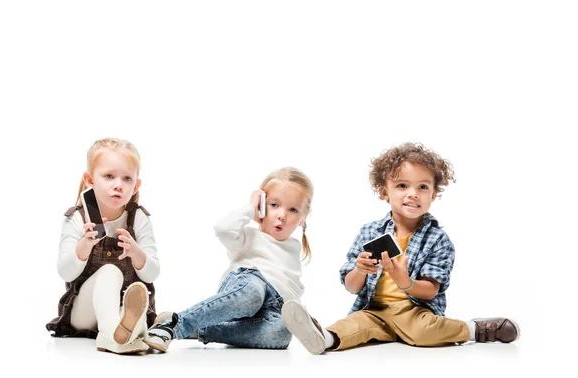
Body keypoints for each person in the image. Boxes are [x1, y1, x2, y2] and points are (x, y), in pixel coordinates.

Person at [281, 142, 519, 354]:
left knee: (426, 332)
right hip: (373, 310)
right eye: (402, 185)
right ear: (385, 192)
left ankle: (475, 329)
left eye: (423, 187)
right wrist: (360, 270)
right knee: (354, 324)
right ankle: (325, 337)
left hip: (413, 311)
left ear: (434, 194)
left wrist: (405, 282)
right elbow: (352, 287)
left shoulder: (438, 239)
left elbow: (430, 291)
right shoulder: (369, 232)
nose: (413, 194)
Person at [145, 167, 313, 352]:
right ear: (262, 205)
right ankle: (176, 324)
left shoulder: (294, 248)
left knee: (281, 334)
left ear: (302, 219)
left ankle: (199, 329)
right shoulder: (247, 236)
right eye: (274, 205)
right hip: (247, 286)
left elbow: (292, 288)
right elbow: (223, 229)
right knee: (253, 293)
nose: (282, 214)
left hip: (273, 307)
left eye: (293, 209)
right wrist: (250, 208)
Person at [46, 138, 160, 354]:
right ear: (90, 180)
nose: (118, 184)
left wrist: (136, 253)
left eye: (127, 178)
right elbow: (65, 271)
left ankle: (129, 330)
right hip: (84, 314)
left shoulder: (139, 219)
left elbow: (151, 274)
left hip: (118, 303)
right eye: (109, 176)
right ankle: (110, 335)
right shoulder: (78, 218)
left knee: (137, 308)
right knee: (109, 271)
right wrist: (85, 245)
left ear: (135, 185)